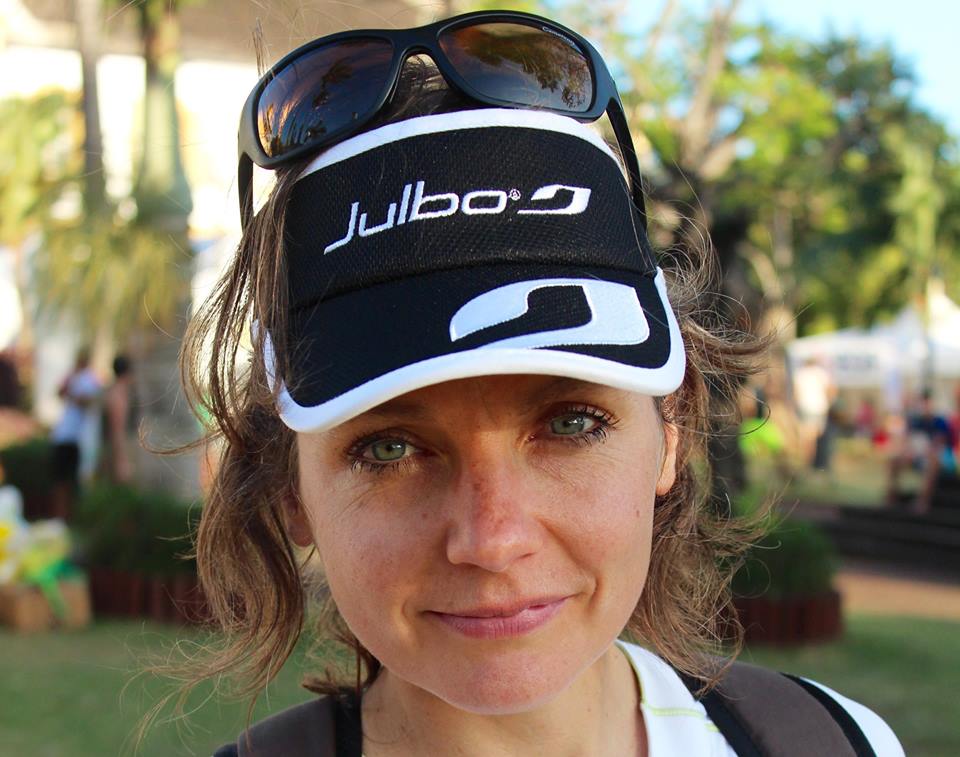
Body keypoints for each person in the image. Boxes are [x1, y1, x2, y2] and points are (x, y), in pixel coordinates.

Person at [158, 11, 903, 756]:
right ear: (291, 488)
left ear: (669, 431)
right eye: (388, 448)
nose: (493, 539)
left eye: (572, 423)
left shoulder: (841, 744)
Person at [49, 349, 102, 519]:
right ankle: (61, 517)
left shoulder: (90, 379)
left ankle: (71, 516)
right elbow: (59, 392)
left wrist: (71, 394)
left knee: (74, 481)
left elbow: (88, 401)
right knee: (60, 480)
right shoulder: (72, 376)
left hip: (78, 438)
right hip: (64, 436)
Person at [101, 354, 135, 483]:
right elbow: (117, 430)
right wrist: (121, 460)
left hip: (111, 451)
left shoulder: (113, 392)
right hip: (114, 453)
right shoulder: (118, 396)